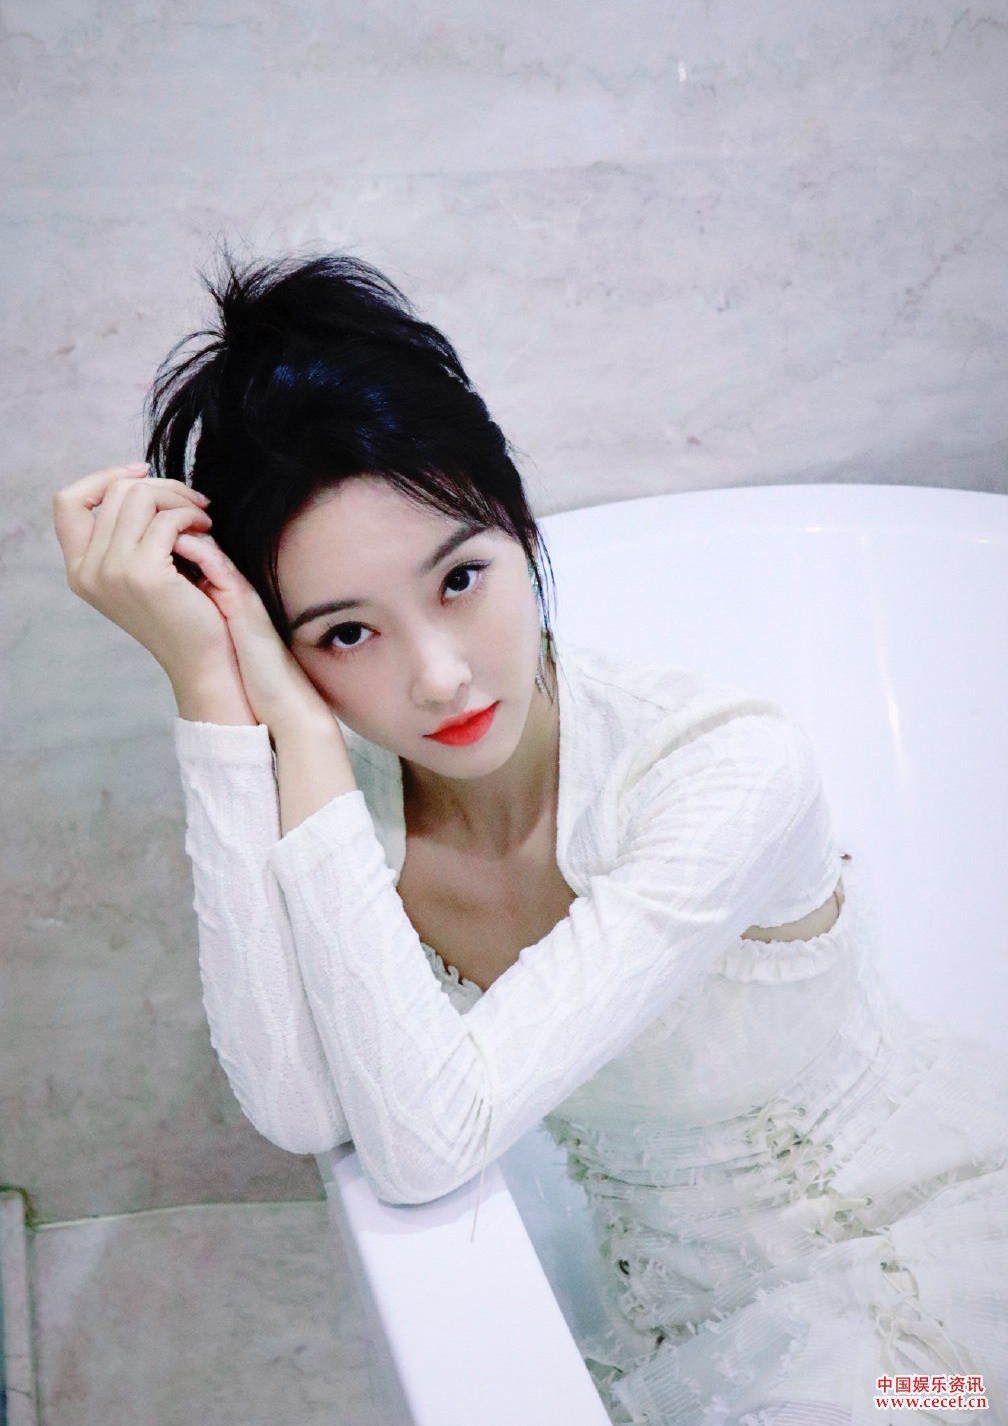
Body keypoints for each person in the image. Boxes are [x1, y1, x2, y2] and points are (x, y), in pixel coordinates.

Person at [53, 253, 1008, 1426]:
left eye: (461, 577)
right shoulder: (350, 805)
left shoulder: (723, 769)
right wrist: (215, 692)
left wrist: (300, 719)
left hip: (921, 1299)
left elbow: (425, 1144)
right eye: (345, 634)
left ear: (519, 526)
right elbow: (301, 1110)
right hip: (685, 1331)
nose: (438, 675)